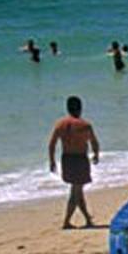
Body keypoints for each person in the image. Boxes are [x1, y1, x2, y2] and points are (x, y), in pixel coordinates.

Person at [48, 96, 100, 229]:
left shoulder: (60, 124)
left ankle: (88, 219)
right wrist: (96, 155)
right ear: (80, 108)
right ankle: (66, 221)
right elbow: (93, 141)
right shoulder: (85, 125)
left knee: (77, 189)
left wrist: (52, 161)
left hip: (66, 159)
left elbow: (52, 144)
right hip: (80, 159)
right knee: (76, 190)